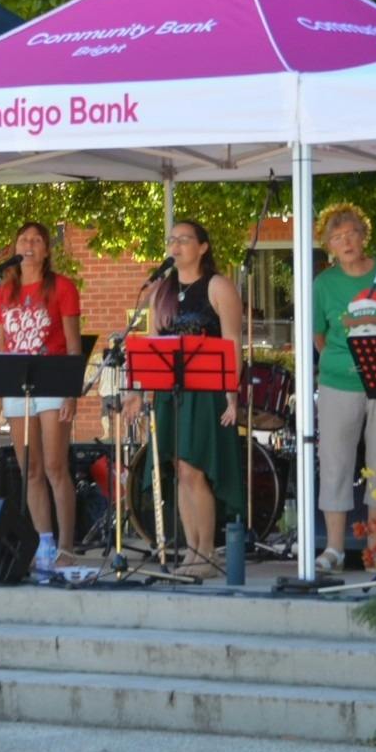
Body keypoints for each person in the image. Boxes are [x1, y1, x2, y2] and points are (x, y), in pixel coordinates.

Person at [123, 220, 243, 580]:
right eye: (172, 240)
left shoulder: (218, 286)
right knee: (178, 471)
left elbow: (233, 343)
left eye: (184, 240)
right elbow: (150, 347)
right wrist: (137, 393)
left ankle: (206, 551)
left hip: (206, 393)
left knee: (195, 469)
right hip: (170, 393)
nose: (176, 246)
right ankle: (191, 551)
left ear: (203, 247)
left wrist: (232, 395)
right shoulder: (161, 290)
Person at [0, 221, 83, 577]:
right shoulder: (3, 292)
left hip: (52, 381)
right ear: (15, 246)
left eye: (36, 240)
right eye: (23, 239)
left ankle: (68, 545)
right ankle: (45, 542)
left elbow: (73, 344)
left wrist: (73, 390)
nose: (29, 245)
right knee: (31, 470)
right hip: (16, 383)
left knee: (56, 466)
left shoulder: (63, 288)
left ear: (46, 249)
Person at [309, 203, 376, 572]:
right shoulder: (324, 283)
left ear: (365, 236)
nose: (345, 241)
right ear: (329, 245)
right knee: (335, 463)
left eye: (351, 233)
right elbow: (319, 336)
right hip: (337, 381)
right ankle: (333, 547)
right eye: (337, 237)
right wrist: (342, 362)